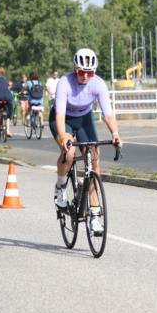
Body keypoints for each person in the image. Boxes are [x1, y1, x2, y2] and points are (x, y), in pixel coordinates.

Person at [51, 49, 122, 235]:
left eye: (89, 73)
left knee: (94, 160)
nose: (84, 76)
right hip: (63, 118)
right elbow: (59, 114)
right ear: (75, 69)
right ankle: (60, 188)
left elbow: (108, 114)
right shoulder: (64, 83)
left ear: (94, 72)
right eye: (81, 72)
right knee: (70, 152)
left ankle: (95, 216)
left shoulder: (98, 84)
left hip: (84, 119)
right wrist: (64, 136)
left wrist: (115, 134)